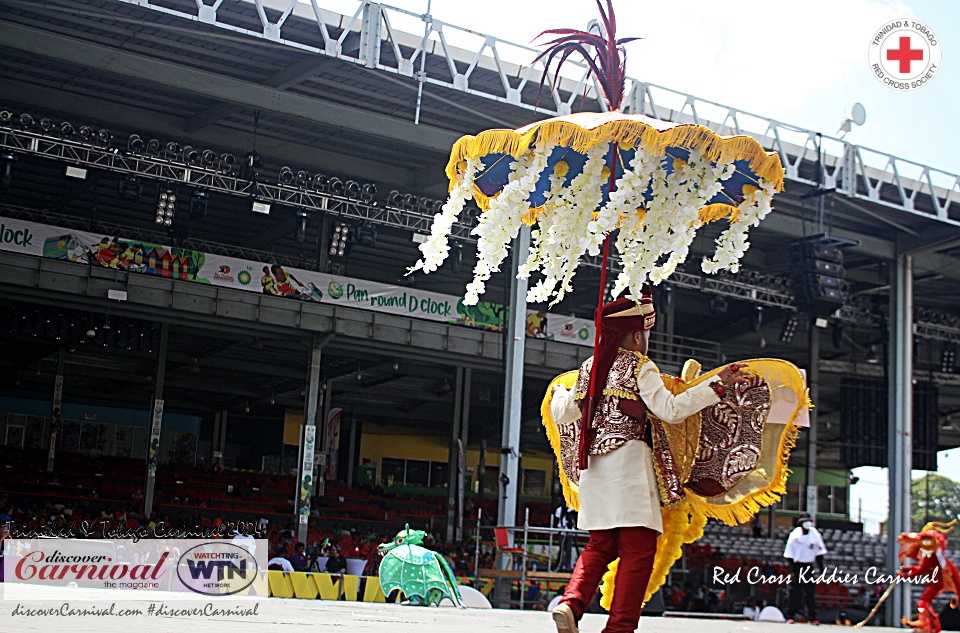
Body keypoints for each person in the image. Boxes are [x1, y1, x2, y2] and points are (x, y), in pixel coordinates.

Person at [548, 288, 749, 633]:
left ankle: (570, 603)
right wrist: (716, 386)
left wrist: (560, 393)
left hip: (594, 471)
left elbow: (563, 414)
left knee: (600, 545)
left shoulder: (589, 368)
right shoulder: (641, 367)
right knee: (638, 552)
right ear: (636, 335)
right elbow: (671, 410)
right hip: (630, 472)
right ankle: (619, 628)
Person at [783, 513, 827, 624]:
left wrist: (822, 570)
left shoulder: (815, 535)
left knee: (810, 592)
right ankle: (790, 615)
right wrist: (791, 571)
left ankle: (812, 616)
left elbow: (819, 554)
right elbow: (789, 555)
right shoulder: (794, 536)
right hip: (797, 566)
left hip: (808, 566)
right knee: (794, 592)